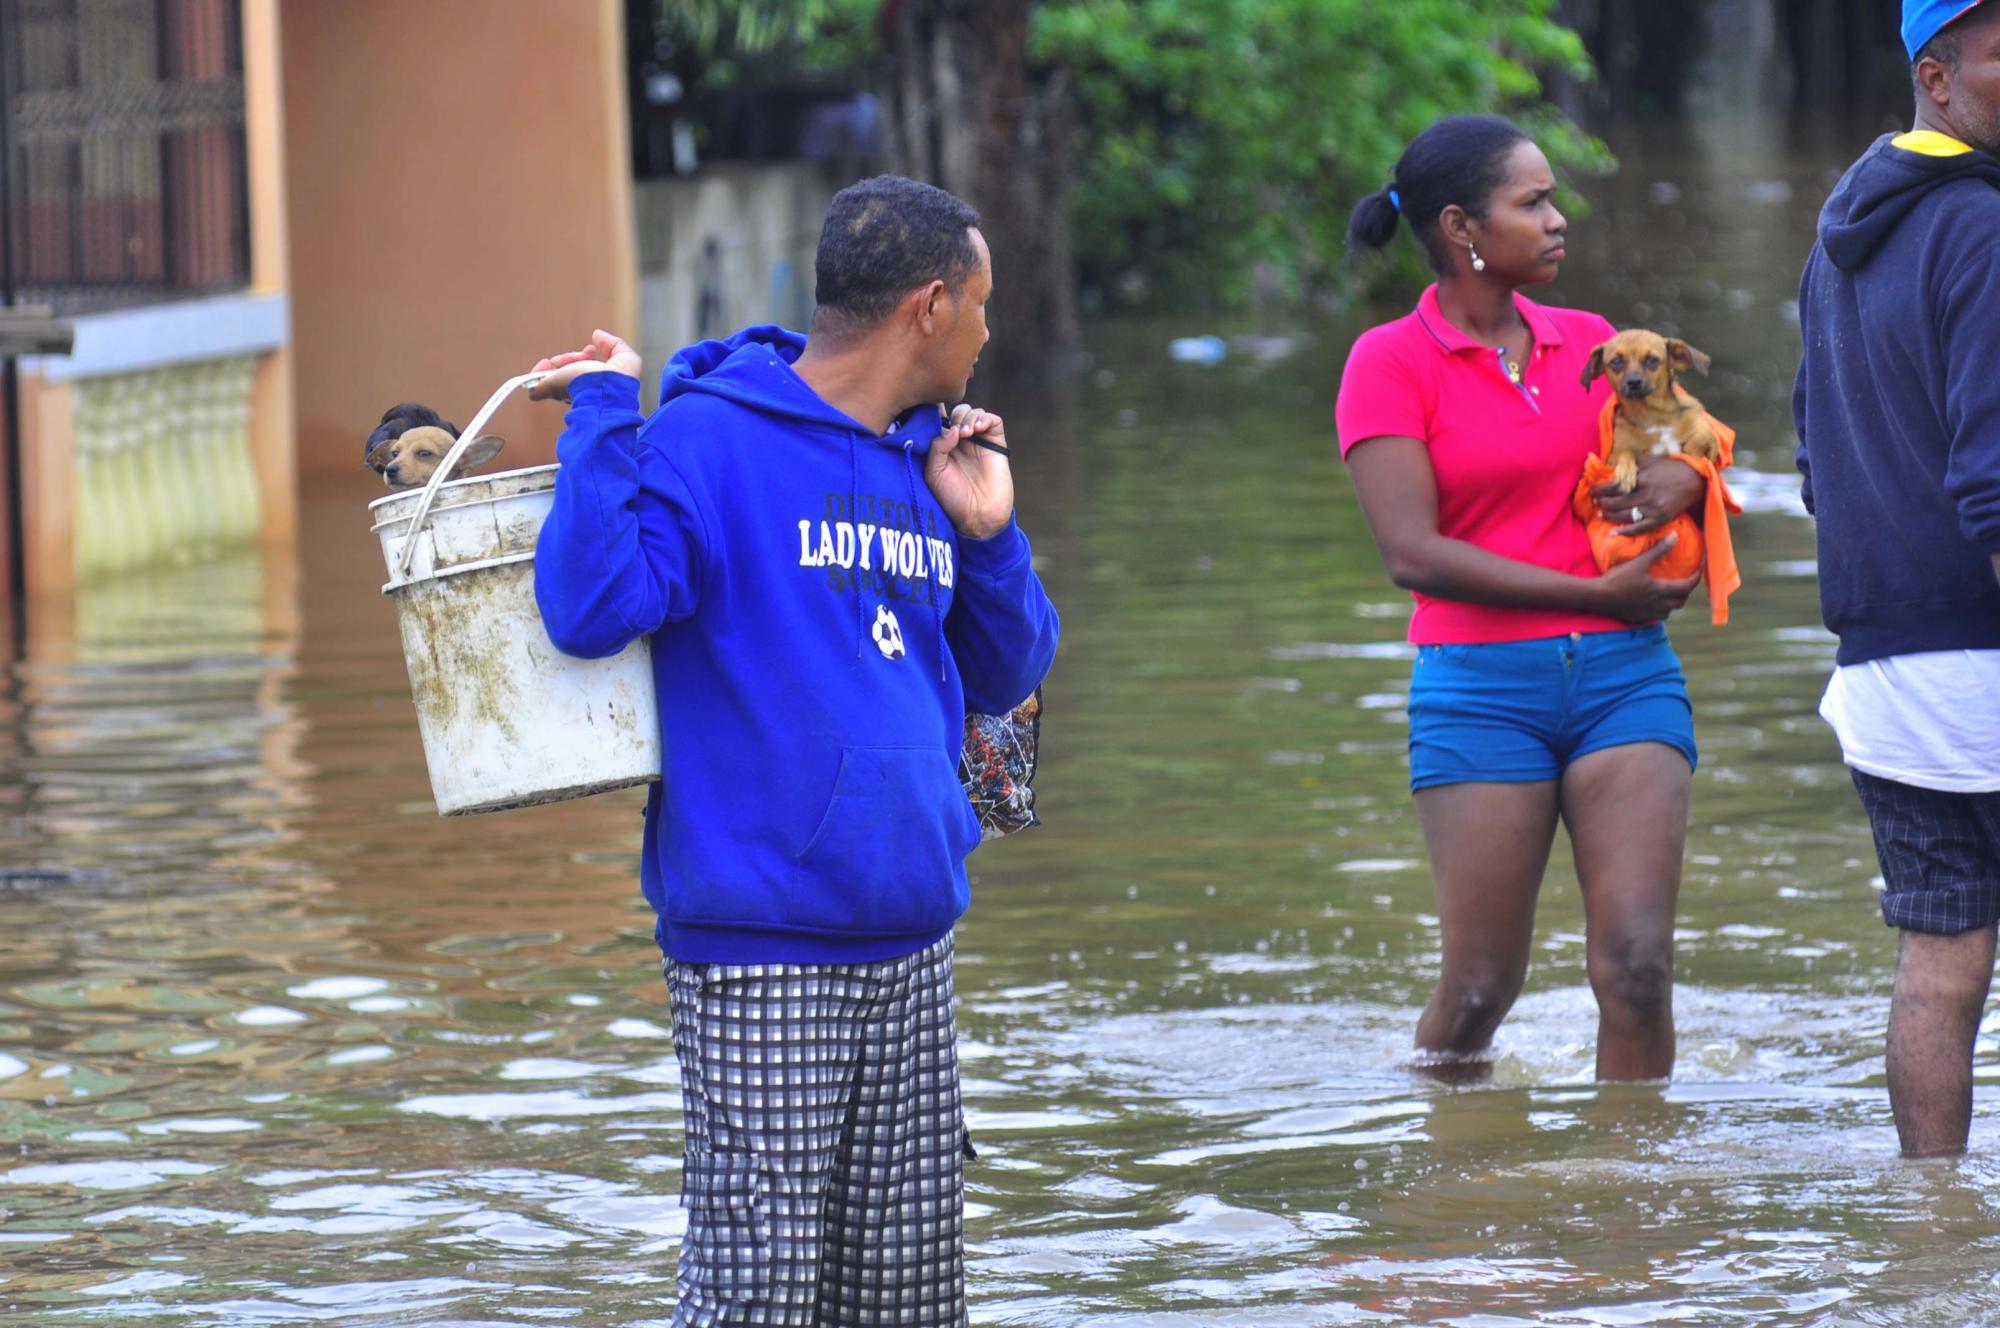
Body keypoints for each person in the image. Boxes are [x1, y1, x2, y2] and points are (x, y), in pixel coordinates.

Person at [530, 175, 1060, 1324]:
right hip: (760, 943)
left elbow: (1009, 672)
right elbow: (588, 606)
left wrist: (989, 533)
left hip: (913, 934)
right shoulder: (706, 441)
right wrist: (598, 417)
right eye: (980, 303)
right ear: (928, 305)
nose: (987, 328)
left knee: (905, 1301)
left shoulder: (930, 461)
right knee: (755, 1294)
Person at [1335, 115, 1708, 1081]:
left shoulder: (1597, 347)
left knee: (1637, 969)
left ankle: (1633, 1201)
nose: (1557, 220)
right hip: (1480, 691)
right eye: (1532, 202)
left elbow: (1688, 455)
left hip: (1628, 680)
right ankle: (1459, 1190)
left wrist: (1695, 485)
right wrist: (1595, 592)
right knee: (1476, 991)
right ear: (1462, 226)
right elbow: (1411, 554)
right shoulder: (1389, 361)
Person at [1793, 0, 2000, 1157]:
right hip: (1981, 643)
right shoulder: (1975, 225)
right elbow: (1994, 480)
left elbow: (1813, 459)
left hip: (1882, 670)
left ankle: (1926, 1226)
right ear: (1935, 76)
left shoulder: (1834, 239)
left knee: (1940, 953)